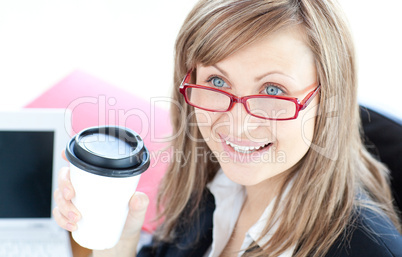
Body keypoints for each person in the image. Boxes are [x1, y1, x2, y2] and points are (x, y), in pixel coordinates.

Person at [53, 0, 402, 256]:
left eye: (272, 90)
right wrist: (120, 236)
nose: (238, 124)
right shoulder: (211, 188)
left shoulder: (371, 250)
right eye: (218, 81)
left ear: (327, 99)